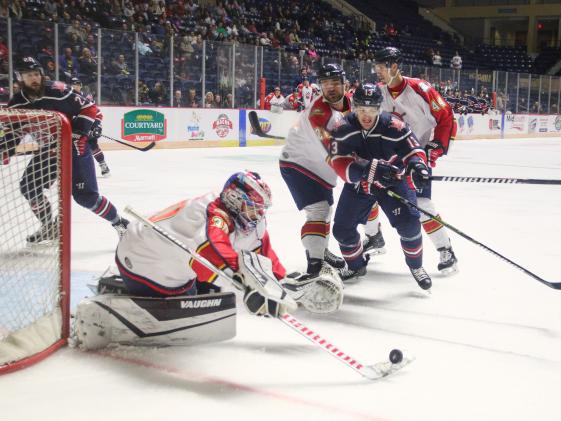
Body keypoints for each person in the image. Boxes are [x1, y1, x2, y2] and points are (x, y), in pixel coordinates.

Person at [73, 172, 342, 349]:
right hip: (143, 259)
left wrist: (282, 283)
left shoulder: (243, 215)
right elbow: (208, 254)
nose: (258, 214)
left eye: (261, 209)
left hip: (164, 258)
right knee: (187, 296)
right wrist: (245, 287)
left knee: (204, 292)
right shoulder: (210, 215)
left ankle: (125, 287)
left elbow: (262, 252)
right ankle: (114, 301)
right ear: (236, 200)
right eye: (254, 207)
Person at [2, 56, 128, 243]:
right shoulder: (16, 104)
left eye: (36, 73)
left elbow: (89, 107)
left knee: (86, 198)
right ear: (19, 78)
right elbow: (15, 132)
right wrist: (5, 150)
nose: (34, 78)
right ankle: (49, 228)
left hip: (74, 147)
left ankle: (120, 224)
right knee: (29, 187)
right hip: (49, 151)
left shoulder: (56, 90)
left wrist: (80, 132)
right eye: (29, 75)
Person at [328, 83, 432, 290]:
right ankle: (356, 266)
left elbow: (413, 149)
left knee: (410, 224)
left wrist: (417, 165)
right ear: (354, 108)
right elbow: (338, 162)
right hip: (360, 184)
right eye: (362, 110)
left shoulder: (394, 126)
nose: (367, 116)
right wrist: (367, 170)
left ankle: (416, 266)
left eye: (372, 110)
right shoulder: (343, 128)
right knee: (341, 229)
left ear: (380, 108)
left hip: (392, 182)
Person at [372, 47, 458, 274]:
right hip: (390, 157)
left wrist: (436, 147)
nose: (377, 72)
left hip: (416, 156)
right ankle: (373, 238)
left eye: (381, 67)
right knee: (366, 192)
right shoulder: (378, 93)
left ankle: (446, 250)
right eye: (376, 67)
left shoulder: (420, 89)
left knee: (421, 204)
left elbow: (446, 117)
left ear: (394, 66)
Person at [279, 63, 351, 280]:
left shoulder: (351, 104)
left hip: (320, 167)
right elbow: (335, 152)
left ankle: (321, 250)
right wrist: (359, 169)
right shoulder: (319, 113)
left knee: (326, 209)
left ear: (345, 84)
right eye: (325, 83)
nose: (330, 88)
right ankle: (315, 266)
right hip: (299, 164)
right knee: (318, 211)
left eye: (335, 83)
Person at [70, 77, 110, 177]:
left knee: (93, 146)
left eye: (78, 84)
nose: (76, 86)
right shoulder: (67, 98)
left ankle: (103, 165)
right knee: (71, 150)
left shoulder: (86, 98)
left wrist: (96, 126)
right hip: (74, 128)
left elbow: (98, 113)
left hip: (87, 125)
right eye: (74, 84)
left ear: (81, 86)